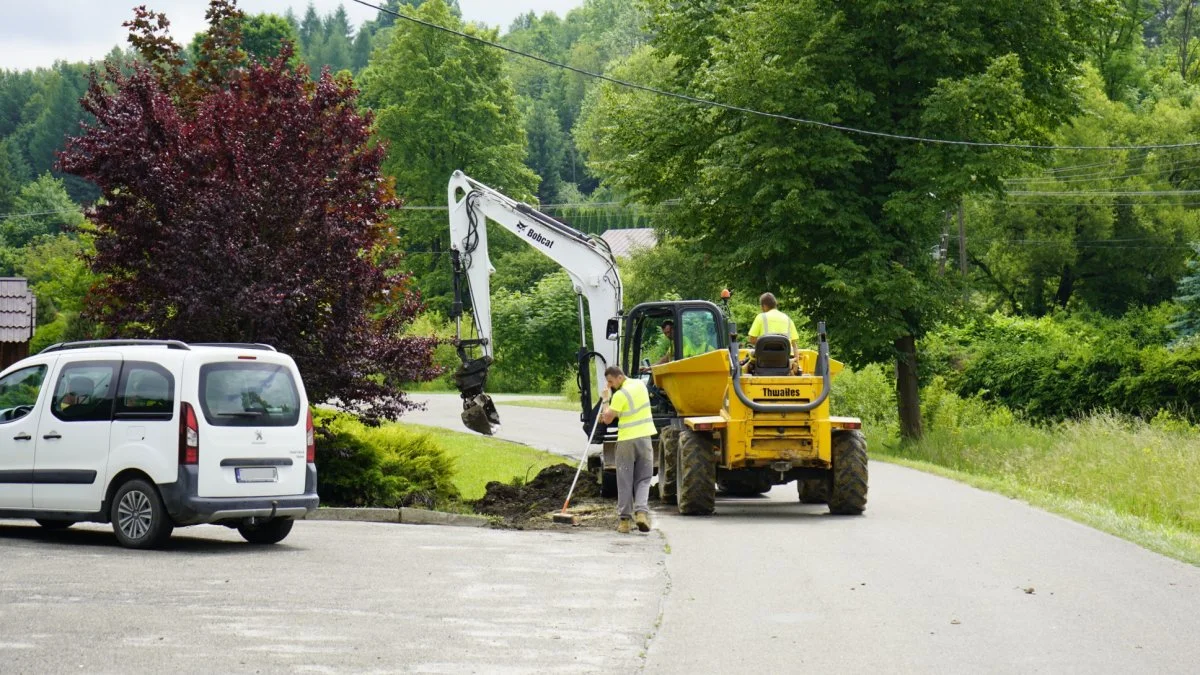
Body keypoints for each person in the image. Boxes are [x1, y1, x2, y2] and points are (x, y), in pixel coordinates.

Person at [599, 365, 654, 534]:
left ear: (619, 377)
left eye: (611, 381)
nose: (610, 385)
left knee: (625, 480)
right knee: (644, 479)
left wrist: (605, 399)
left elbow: (606, 419)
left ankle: (624, 521)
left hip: (626, 442)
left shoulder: (620, 395)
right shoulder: (640, 385)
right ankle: (642, 513)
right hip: (645, 438)